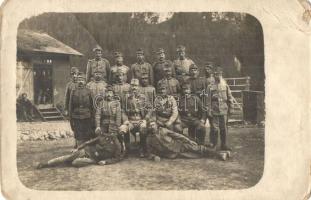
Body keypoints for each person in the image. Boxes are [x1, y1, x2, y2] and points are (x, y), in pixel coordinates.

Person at [145, 120, 231, 161]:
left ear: (156, 125)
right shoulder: (149, 139)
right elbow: (149, 152)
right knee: (196, 156)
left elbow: (178, 136)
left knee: (197, 148)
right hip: (173, 154)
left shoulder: (163, 130)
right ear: (148, 127)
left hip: (180, 145)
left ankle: (221, 154)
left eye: (153, 125)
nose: (152, 126)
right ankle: (220, 153)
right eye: (150, 125)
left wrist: (188, 141)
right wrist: (154, 157)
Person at [36, 132, 123, 169]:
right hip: (87, 151)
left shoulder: (118, 147)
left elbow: (117, 158)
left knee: (75, 163)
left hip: (94, 159)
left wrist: (105, 162)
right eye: (112, 133)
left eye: (115, 134)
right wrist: (78, 148)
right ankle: (46, 164)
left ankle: (65, 162)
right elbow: (88, 142)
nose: (113, 134)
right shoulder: (103, 136)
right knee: (68, 157)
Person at [120, 79, 151, 157]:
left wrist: (145, 119)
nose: (134, 87)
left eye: (136, 86)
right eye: (132, 85)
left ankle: (142, 148)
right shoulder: (126, 97)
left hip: (140, 120)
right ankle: (127, 149)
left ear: (138, 87)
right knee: (123, 129)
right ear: (130, 86)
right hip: (130, 120)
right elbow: (123, 110)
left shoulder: (143, 97)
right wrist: (126, 120)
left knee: (143, 129)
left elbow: (150, 108)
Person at [206, 67, 234, 150]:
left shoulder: (225, 85)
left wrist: (231, 108)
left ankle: (224, 144)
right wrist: (209, 110)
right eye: (215, 74)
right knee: (214, 128)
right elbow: (208, 100)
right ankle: (214, 144)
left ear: (221, 74)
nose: (216, 76)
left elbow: (230, 97)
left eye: (218, 74)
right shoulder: (210, 86)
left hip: (224, 110)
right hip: (214, 110)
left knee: (224, 128)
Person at [95, 85, 126, 153]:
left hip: (113, 124)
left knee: (115, 138)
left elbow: (118, 116)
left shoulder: (117, 103)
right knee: (101, 138)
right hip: (104, 124)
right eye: (107, 93)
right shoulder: (101, 103)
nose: (109, 94)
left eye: (110, 93)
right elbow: (98, 115)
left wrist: (117, 126)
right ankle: (103, 151)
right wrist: (97, 126)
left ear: (113, 94)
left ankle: (121, 149)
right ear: (105, 93)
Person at [69, 73, 95, 148]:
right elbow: (70, 107)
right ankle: (79, 149)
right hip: (76, 117)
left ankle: (87, 150)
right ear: (76, 81)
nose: (80, 82)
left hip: (87, 116)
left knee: (87, 134)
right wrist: (71, 120)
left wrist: (92, 118)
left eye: (82, 80)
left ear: (85, 81)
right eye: (79, 80)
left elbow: (92, 106)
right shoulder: (73, 91)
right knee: (78, 134)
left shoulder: (89, 91)